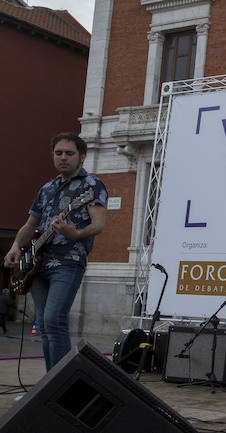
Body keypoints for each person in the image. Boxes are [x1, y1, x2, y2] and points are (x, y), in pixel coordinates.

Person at [3, 133, 107, 371]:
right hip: (38, 266)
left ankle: (62, 385)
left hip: (67, 263)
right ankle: (51, 384)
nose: (63, 158)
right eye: (58, 153)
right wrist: (15, 247)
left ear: (82, 156)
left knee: (54, 320)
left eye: (69, 153)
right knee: (45, 328)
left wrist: (74, 233)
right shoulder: (47, 188)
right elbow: (31, 225)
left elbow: (98, 225)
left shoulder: (92, 185)